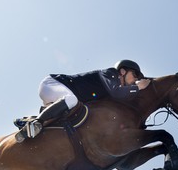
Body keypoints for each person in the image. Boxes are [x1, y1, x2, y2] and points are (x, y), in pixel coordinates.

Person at [15, 59, 151, 141]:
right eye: (135, 75)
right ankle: (36, 124)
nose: (135, 80)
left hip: (60, 98)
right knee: (72, 100)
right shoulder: (110, 73)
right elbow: (116, 93)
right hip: (52, 84)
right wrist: (138, 87)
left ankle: (30, 121)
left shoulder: (115, 87)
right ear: (122, 71)